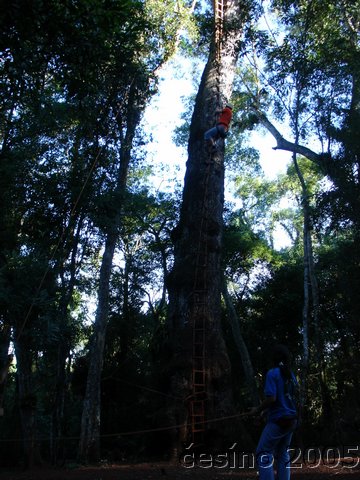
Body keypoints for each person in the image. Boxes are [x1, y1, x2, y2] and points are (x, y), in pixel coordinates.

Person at [249, 345, 299, 480]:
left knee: (263, 452)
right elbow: (285, 401)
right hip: (292, 420)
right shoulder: (291, 376)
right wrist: (264, 413)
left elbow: (272, 398)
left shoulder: (273, 373)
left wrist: (257, 410)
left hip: (279, 421)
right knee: (283, 453)